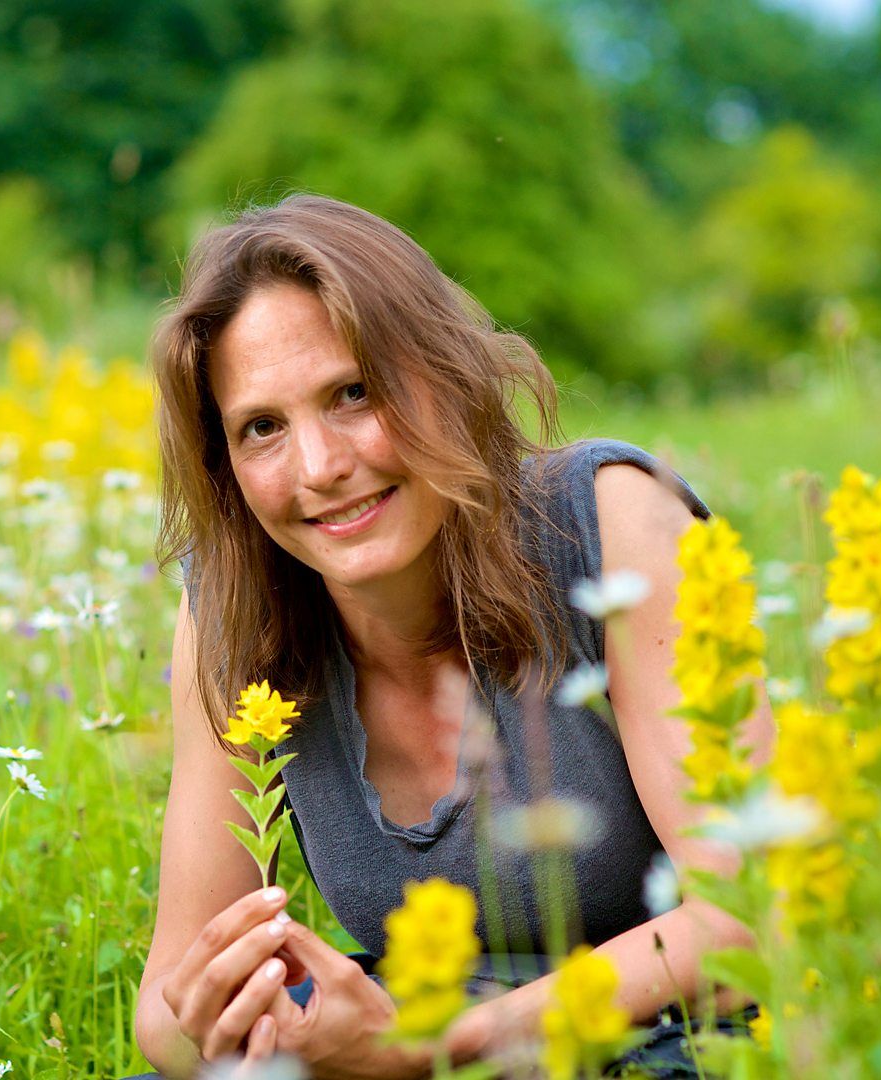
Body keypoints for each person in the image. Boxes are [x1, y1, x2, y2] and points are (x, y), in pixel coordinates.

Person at [132, 194, 773, 1079]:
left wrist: (432, 1048)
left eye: (353, 393)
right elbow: (166, 1006)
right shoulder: (233, 609)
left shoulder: (611, 522)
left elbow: (752, 910)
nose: (319, 468)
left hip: (665, 1043)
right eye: (262, 429)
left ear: (445, 373)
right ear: (226, 466)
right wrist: (228, 1018)